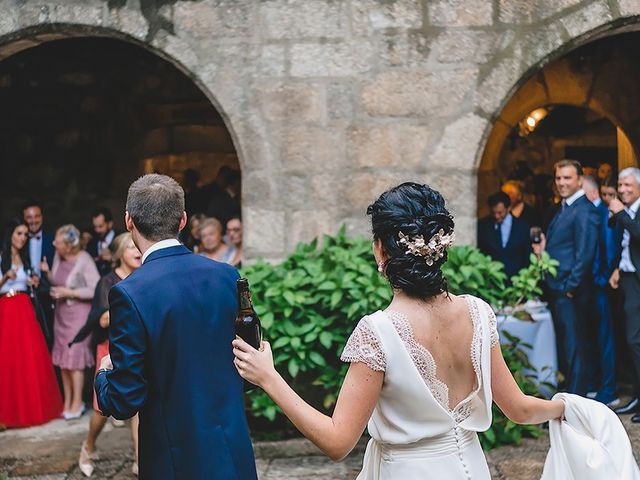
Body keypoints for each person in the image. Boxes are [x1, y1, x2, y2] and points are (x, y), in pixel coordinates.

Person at [233, 182, 564, 479]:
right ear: (441, 246)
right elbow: (519, 409)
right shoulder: (478, 312)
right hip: (471, 468)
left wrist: (269, 378)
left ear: (380, 249)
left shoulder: (377, 332)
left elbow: (338, 442)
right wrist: (568, 407)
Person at [95, 174, 257, 479]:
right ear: (182, 220)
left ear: (128, 221)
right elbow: (250, 365)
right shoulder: (226, 275)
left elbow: (123, 401)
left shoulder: (129, 294)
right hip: (231, 451)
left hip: (174, 462)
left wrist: (104, 373)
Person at [72, 233, 141, 477]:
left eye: (137, 245)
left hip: (140, 346)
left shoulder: (145, 276)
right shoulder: (108, 281)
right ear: (119, 253)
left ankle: (139, 461)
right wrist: (134, 308)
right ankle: (89, 445)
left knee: (139, 406)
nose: (136, 250)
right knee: (103, 408)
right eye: (130, 246)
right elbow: (101, 319)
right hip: (111, 349)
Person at [533, 160, 599, 395]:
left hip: (571, 291)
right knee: (568, 346)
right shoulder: (564, 207)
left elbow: (585, 253)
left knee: (575, 347)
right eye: (559, 178)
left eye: (567, 178)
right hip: (559, 288)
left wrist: (569, 287)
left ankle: (575, 401)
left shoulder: (584, 210)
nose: (561, 182)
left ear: (580, 180)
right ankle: (570, 396)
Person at [0, 219, 63, 427]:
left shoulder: (26, 258)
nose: (22, 238)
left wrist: (34, 283)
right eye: (19, 233)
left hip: (25, 307)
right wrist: (4, 278)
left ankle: (33, 409)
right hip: (7, 308)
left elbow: (30, 284)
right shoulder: (2, 258)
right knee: (8, 358)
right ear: (10, 234)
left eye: (25, 235)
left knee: (29, 356)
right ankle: (8, 413)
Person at [42, 224, 100, 420]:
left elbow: (95, 289)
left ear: (68, 246)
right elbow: (58, 281)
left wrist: (70, 293)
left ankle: (78, 402)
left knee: (74, 360)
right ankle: (67, 401)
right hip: (61, 315)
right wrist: (47, 274)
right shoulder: (58, 256)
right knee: (64, 362)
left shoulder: (84, 260)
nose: (53, 244)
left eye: (57, 242)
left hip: (79, 316)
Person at [582, 175, 621, 407]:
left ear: (592, 193)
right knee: (595, 337)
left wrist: (601, 279)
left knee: (605, 338)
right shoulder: (596, 213)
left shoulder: (603, 214)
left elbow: (607, 249)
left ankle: (608, 388)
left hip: (601, 285)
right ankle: (597, 385)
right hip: (593, 285)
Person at [608, 168, 640, 421]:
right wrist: (619, 267)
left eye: (628, 185)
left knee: (634, 339)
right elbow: (627, 244)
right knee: (630, 339)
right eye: (621, 185)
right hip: (629, 280)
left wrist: (620, 213)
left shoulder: (628, 212)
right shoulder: (625, 211)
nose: (623, 189)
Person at [23, 200, 55, 346]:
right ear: (24, 218)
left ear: (42, 217)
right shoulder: (19, 240)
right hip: (25, 296)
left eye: (36, 216)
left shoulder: (53, 240)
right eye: (29, 217)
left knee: (48, 338)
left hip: (48, 297)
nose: (33, 220)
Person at [477, 191, 531, 279]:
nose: (496, 216)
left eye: (500, 213)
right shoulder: (483, 225)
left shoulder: (522, 226)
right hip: (491, 280)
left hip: (516, 280)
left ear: (509, 208)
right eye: (493, 212)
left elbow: (526, 254)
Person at [87, 207, 116, 276]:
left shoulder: (120, 240)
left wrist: (112, 259)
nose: (97, 230)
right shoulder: (91, 243)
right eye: (95, 227)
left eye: (100, 226)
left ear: (110, 224)